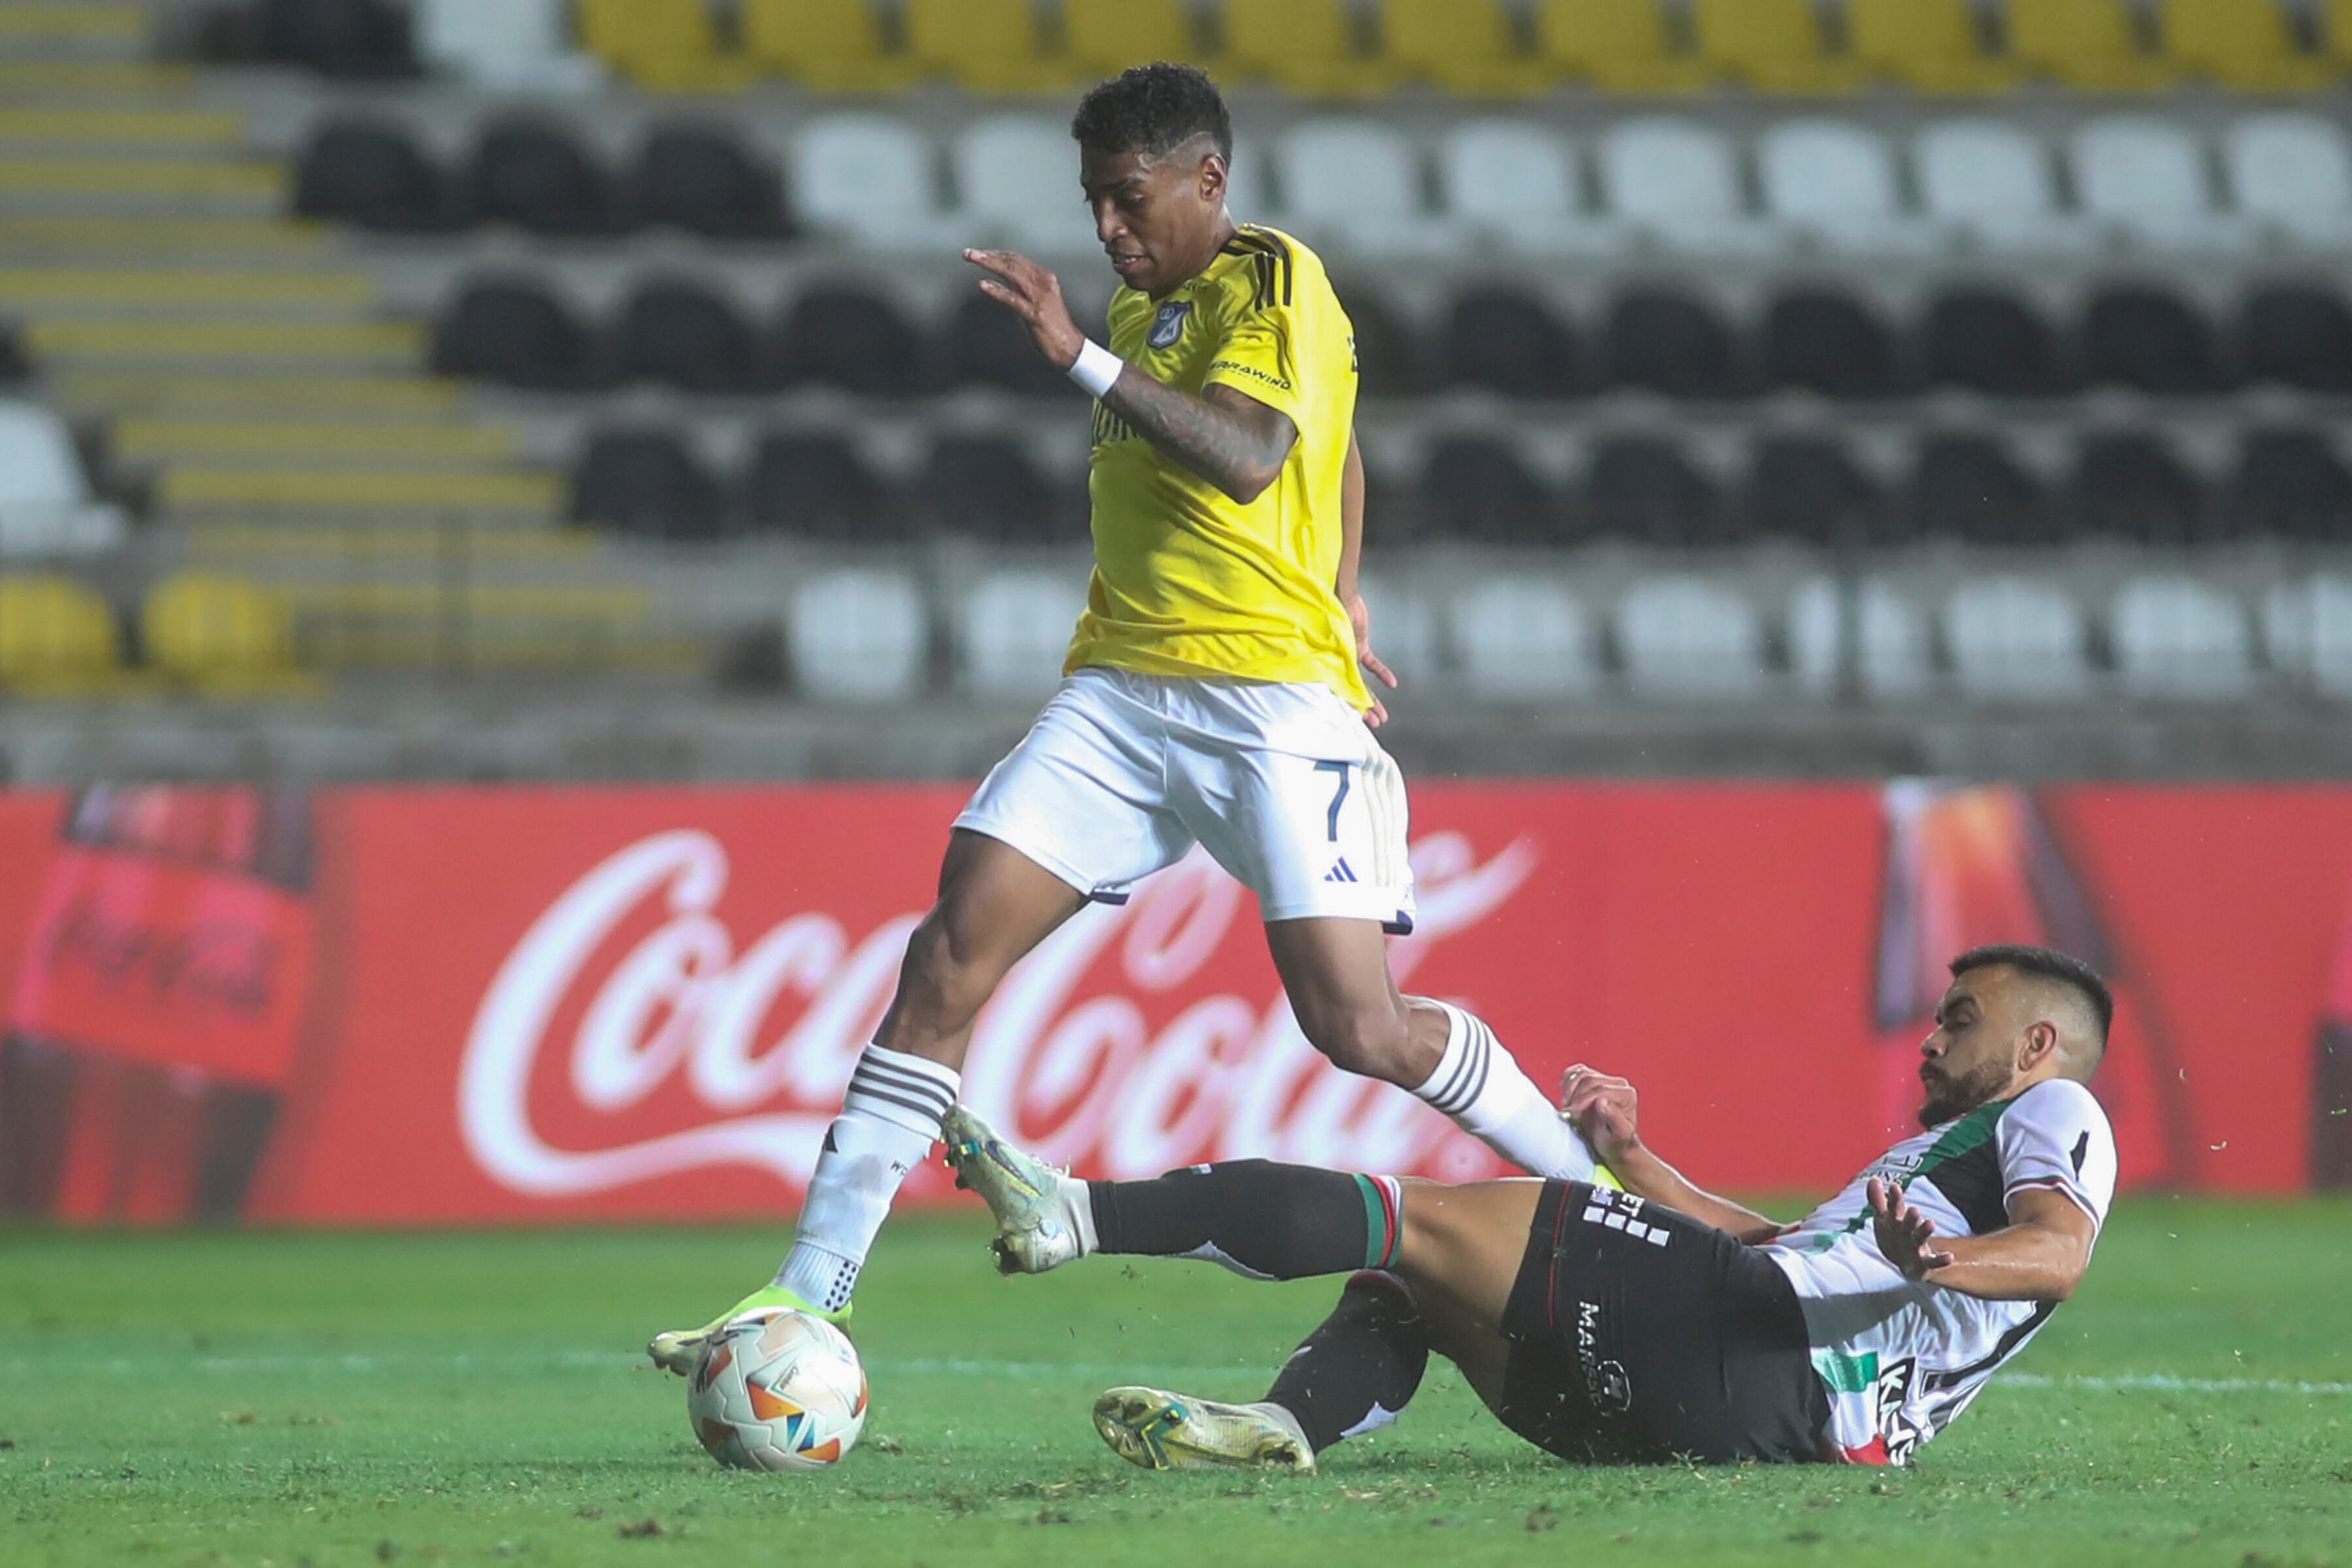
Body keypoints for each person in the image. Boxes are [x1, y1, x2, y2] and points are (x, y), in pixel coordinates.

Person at [649, 63, 1599, 1373]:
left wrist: (1081, 360)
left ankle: (1597, 1198)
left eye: (1129, 198)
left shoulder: (1273, 280)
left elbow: (1259, 454)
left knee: (1358, 1027)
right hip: (1120, 695)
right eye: (1094, 200)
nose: (1107, 227)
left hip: (1268, 703)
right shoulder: (1147, 305)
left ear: (1208, 179)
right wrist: (1346, 579)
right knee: (947, 954)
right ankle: (807, 1292)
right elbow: (1342, 442)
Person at [943, 944, 2118, 1470]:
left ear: (2038, 1045)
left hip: (1758, 1347)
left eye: (1961, 1021)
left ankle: (1075, 1215)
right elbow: (1770, 1242)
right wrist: (1635, 1159)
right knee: (1414, 1278)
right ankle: (1288, 1428)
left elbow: (2059, 1254)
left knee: (1419, 1219)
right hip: (1743, 1421)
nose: (1931, 1039)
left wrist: (1942, 1260)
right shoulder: (1938, 1162)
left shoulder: (2054, 1108)